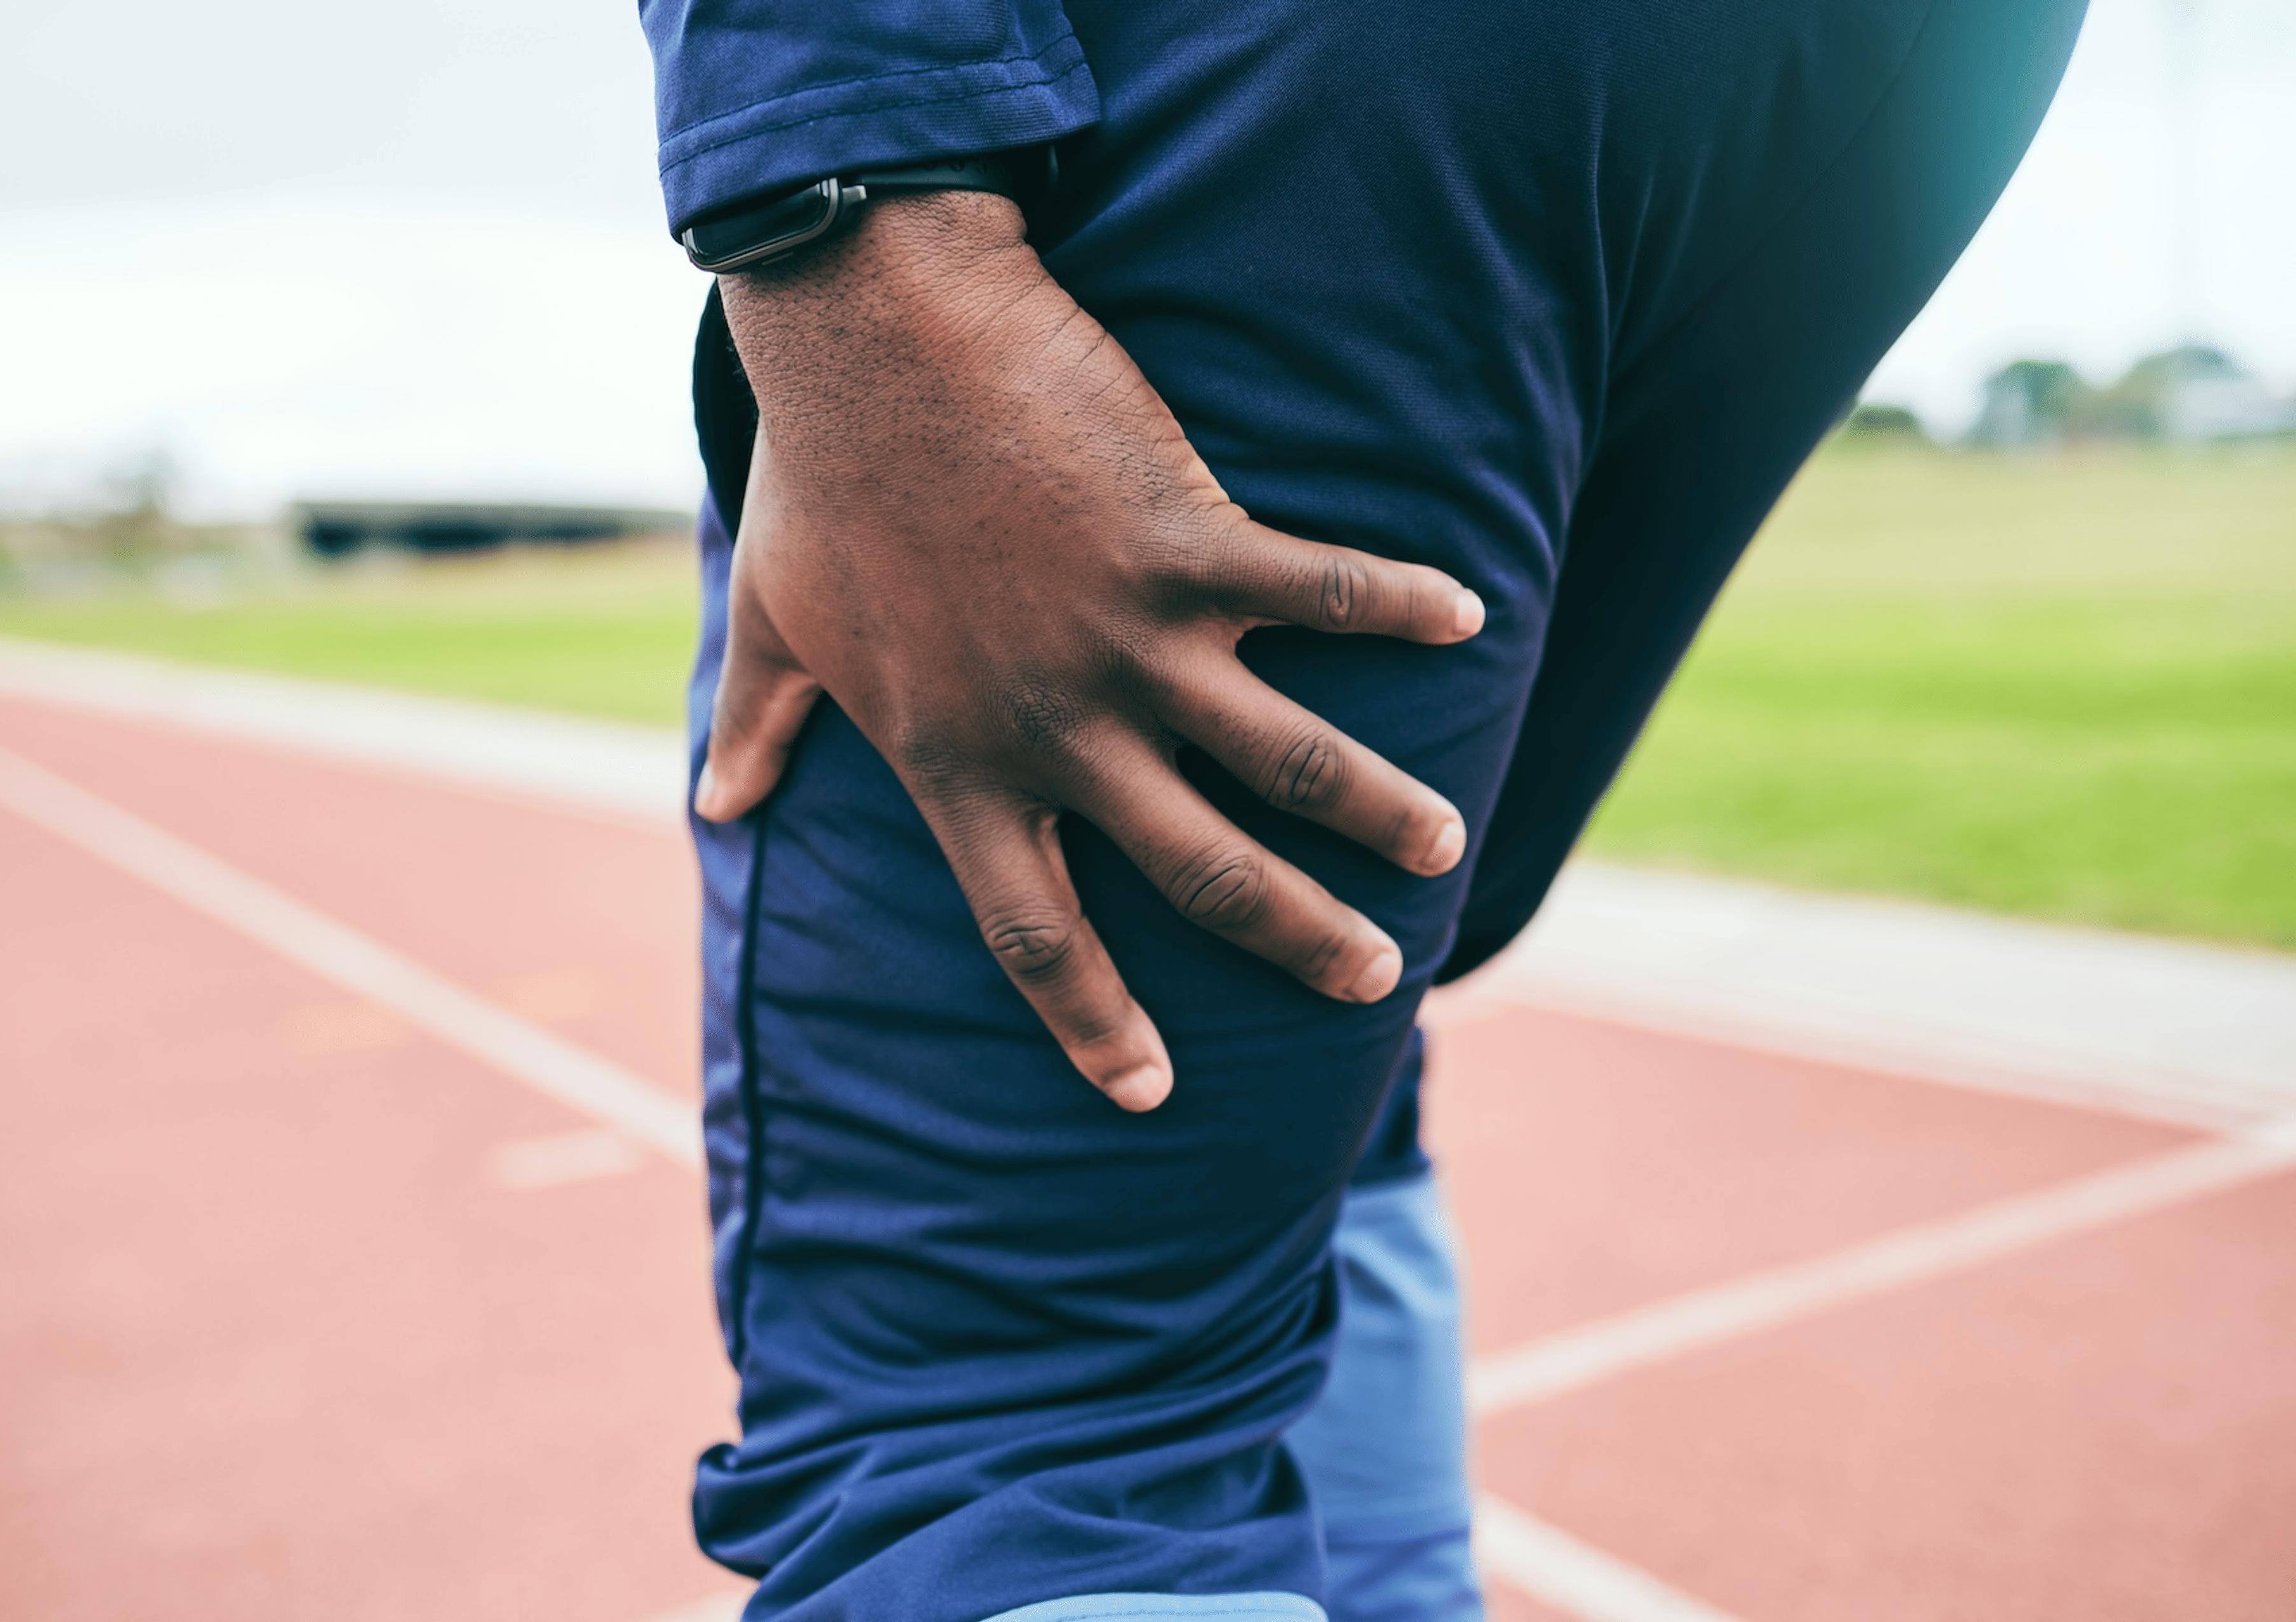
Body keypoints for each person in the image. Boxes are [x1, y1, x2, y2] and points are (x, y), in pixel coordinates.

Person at [635, 3, 2086, 1618]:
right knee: (1327, 1024)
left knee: (1012, 1424)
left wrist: (823, 182)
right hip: (1915, 71)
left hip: (1329, 55)